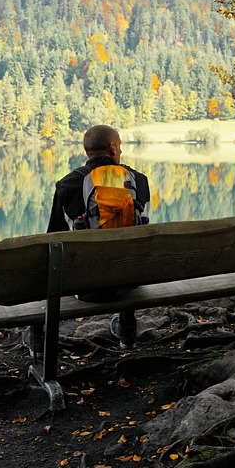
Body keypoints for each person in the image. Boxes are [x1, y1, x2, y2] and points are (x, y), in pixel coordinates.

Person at [40, 123, 151, 350]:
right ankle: (127, 332)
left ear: (87, 151)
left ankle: (39, 342)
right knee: (127, 247)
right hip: (131, 281)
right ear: (112, 148)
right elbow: (143, 230)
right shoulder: (138, 180)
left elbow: (53, 237)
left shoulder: (67, 184)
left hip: (86, 287)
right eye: (119, 147)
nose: (120, 152)